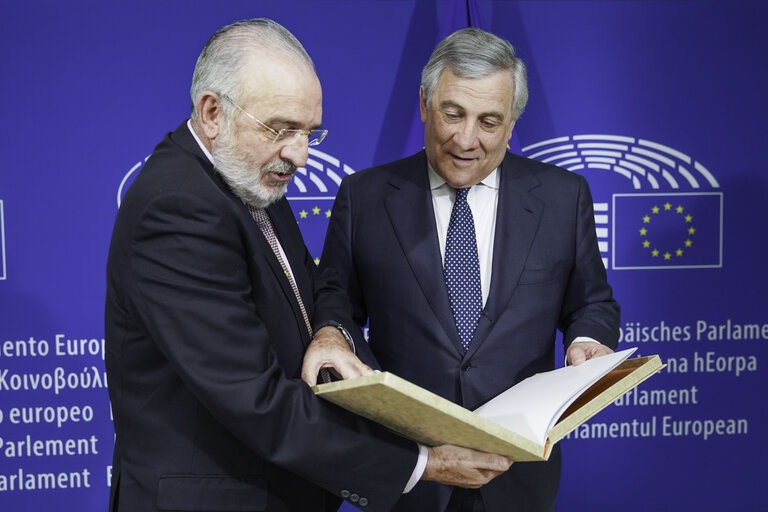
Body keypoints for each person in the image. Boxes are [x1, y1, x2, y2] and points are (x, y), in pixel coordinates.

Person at [105, 19, 511, 512]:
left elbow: (313, 289)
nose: (298, 155)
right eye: (282, 129)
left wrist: (330, 333)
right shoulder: (177, 208)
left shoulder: (247, 174)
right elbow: (256, 400)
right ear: (212, 112)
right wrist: (421, 462)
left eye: (309, 133)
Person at [321, 27, 621, 512]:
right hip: (410, 469)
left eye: (488, 121)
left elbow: (591, 301)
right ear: (424, 104)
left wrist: (587, 340)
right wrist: (332, 332)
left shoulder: (564, 197)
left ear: (511, 122)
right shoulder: (365, 197)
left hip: (518, 473)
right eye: (452, 113)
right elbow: (335, 300)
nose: (466, 139)